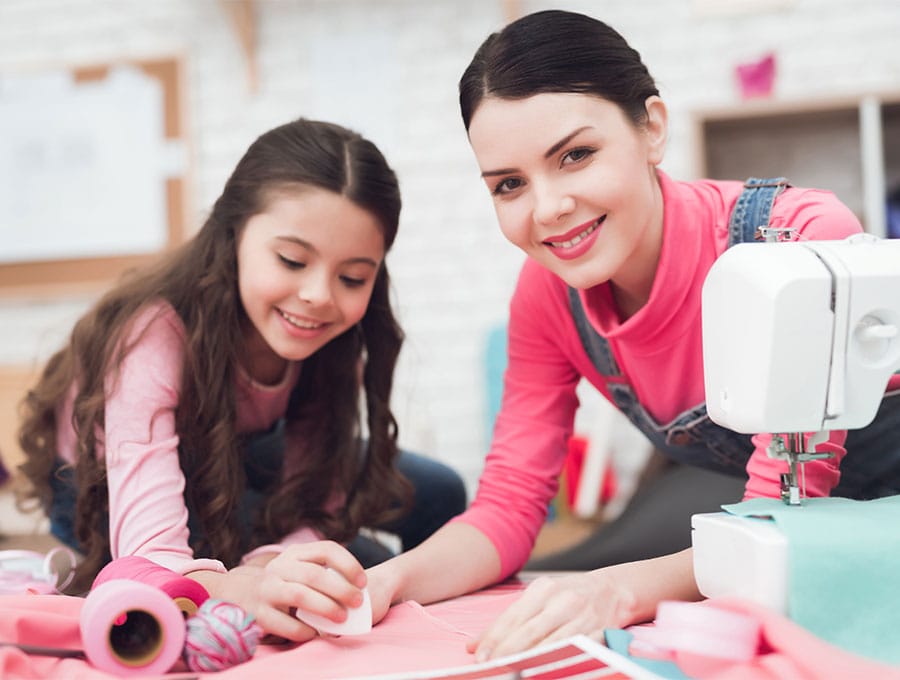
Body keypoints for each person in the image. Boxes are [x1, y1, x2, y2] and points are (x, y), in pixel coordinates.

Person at [366, 9, 900, 661]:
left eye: (576, 156)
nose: (547, 208)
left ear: (652, 128)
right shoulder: (548, 297)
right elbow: (507, 507)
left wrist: (617, 592)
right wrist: (387, 582)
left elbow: (782, 511)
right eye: (510, 184)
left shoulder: (796, 240)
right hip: (802, 540)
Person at [16, 118, 466, 641]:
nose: (319, 294)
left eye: (352, 277)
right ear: (233, 236)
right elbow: (154, 554)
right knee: (357, 562)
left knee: (438, 493)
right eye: (292, 260)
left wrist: (278, 559)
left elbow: (319, 491)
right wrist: (244, 583)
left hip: (239, 443)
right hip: (101, 478)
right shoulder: (150, 336)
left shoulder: (333, 336)